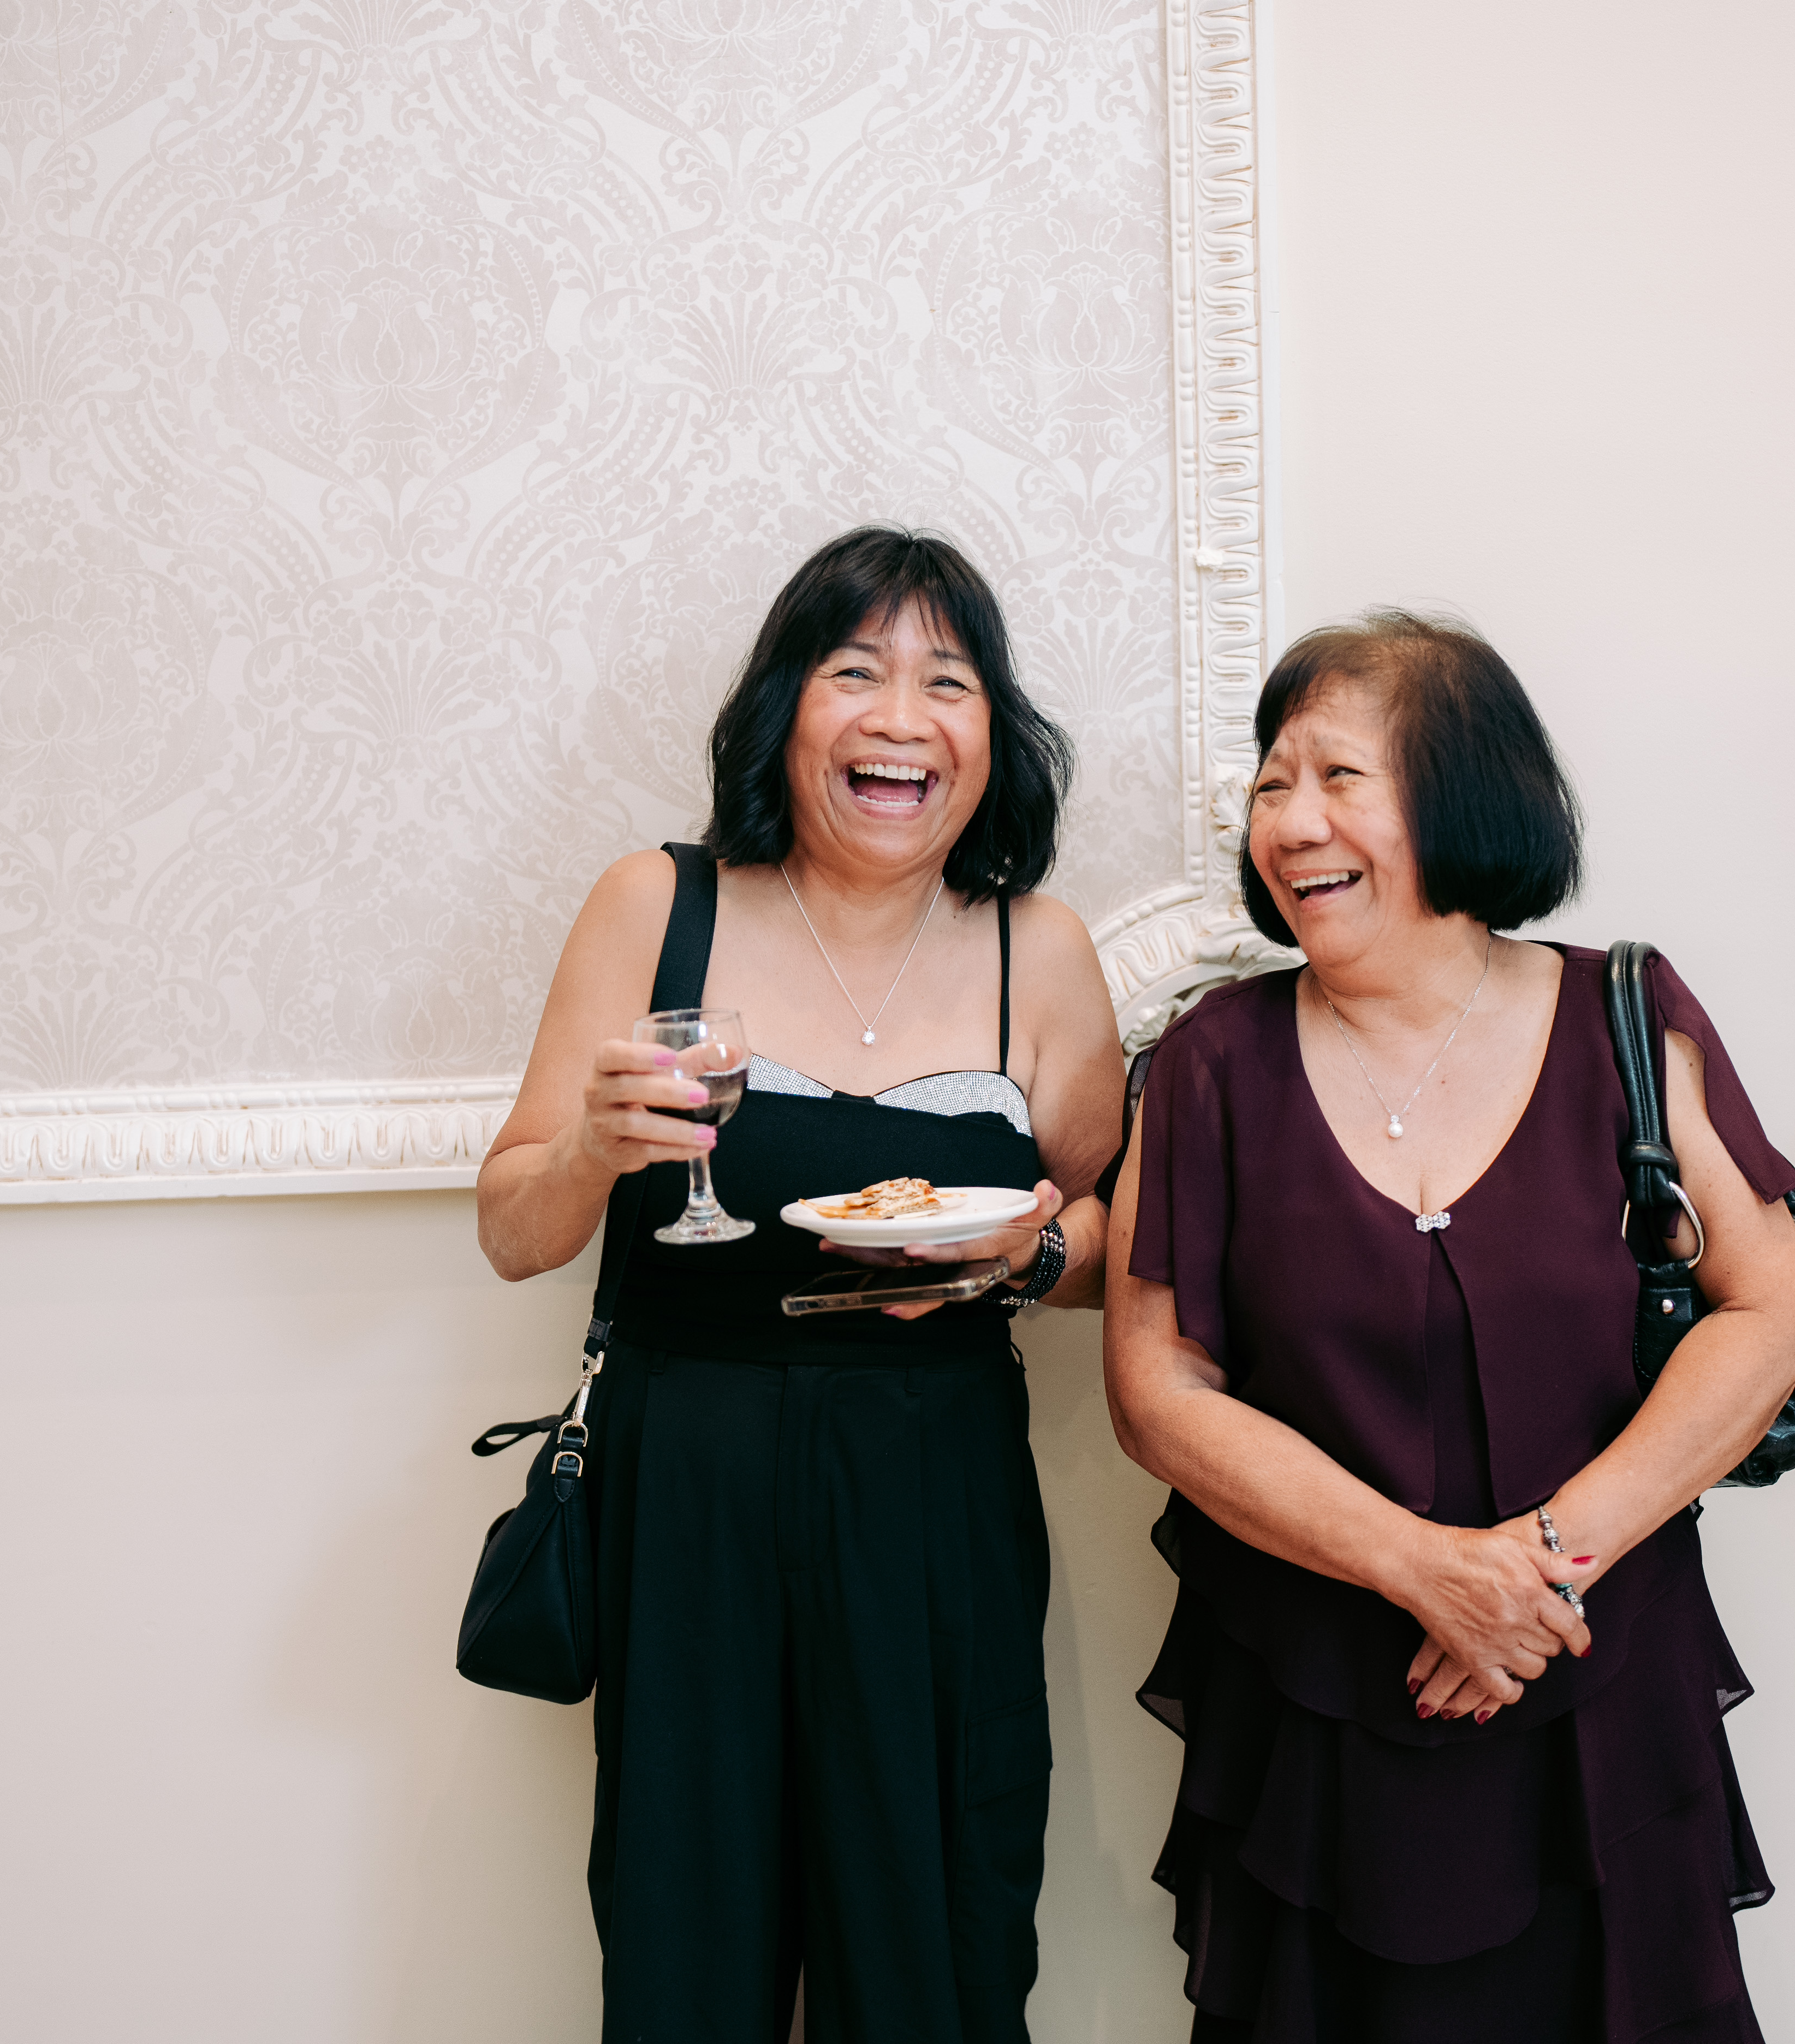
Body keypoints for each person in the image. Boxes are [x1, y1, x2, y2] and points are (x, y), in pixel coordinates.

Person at [1102, 613, 1795, 2042]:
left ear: (1464, 793)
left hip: (1595, 1678)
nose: (1289, 821)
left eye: (1338, 776)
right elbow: (1155, 1387)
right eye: (1271, 784)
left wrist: (1537, 1569)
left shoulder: (1623, 1014)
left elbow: (1772, 1305)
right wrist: (1424, 1569)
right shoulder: (1211, 1061)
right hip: (1322, 1709)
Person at [476, 526, 1125, 2042]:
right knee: (688, 1938)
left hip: (938, 1488)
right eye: (855, 673)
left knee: (935, 1940)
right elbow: (513, 1229)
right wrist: (593, 1146)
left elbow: (1109, 1236)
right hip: (687, 1485)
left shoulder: (1040, 951)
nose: (903, 718)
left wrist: (1033, 1252)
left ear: (993, 735)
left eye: (948, 683)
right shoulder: (658, 905)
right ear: (785, 712)